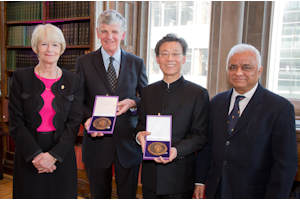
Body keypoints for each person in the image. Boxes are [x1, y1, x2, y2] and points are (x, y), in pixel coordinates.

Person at [194, 43, 298, 198]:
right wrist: (200, 181)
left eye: (246, 67)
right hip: (216, 190)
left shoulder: (280, 108)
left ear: (259, 70)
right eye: (233, 67)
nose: (238, 72)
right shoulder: (216, 102)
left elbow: (285, 165)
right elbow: (208, 146)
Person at [76, 10, 148, 198]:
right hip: (96, 143)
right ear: (98, 33)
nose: (109, 37)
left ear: (122, 34)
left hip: (128, 143)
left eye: (115, 31)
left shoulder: (137, 63)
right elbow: (76, 100)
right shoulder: (83, 62)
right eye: (105, 31)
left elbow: (147, 100)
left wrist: (133, 102)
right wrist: (87, 119)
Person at [8, 24, 83, 198]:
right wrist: (36, 156)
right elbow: (15, 122)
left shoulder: (74, 80)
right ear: (35, 47)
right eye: (44, 44)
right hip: (29, 153)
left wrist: (53, 156)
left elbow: (73, 124)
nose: (50, 49)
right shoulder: (20, 78)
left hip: (61, 154)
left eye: (55, 44)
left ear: (61, 49)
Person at [136, 34, 209, 198]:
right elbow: (140, 126)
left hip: (180, 178)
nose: (170, 58)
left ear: (184, 59)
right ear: (157, 58)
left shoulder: (198, 93)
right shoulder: (147, 92)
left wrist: (176, 150)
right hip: (150, 178)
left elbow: (200, 136)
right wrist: (139, 136)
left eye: (175, 54)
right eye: (164, 53)